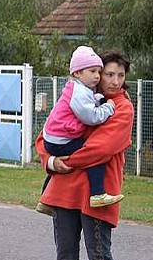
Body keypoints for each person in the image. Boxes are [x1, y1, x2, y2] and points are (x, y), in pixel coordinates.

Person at [35, 50, 132, 260]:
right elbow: (46, 135)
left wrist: (65, 160)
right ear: (95, 73)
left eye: (121, 75)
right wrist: (50, 161)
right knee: (65, 258)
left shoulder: (122, 108)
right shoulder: (80, 96)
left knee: (100, 257)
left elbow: (100, 148)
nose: (114, 81)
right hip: (64, 192)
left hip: (97, 194)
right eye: (108, 74)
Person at [36, 45, 120, 216]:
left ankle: (45, 198)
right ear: (77, 73)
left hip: (54, 138)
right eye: (92, 71)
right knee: (94, 154)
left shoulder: (78, 88)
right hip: (60, 140)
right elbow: (91, 116)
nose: (97, 76)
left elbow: (89, 101)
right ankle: (97, 193)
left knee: (80, 154)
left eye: (98, 71)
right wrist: (109, 108)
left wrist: (98, 99)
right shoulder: (79, 92)